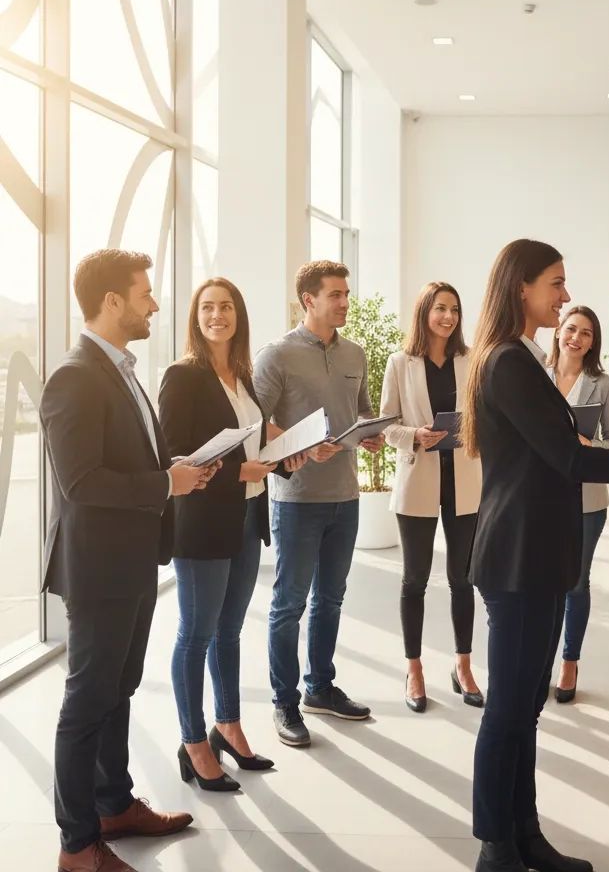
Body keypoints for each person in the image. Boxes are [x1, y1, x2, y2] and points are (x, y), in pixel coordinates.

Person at [462, 239, 609, 872]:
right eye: (555, 283)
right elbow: (570, 456)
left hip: (538, 552)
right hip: (517, 556)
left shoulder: (526, 358)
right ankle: (496, 846)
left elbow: (568, 450)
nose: (565, 295)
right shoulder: (509, 362)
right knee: (509, 707)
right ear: (521, 287)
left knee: (527, 705)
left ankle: (524, 833)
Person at [40, 250, 215, 872]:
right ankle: (77, 844)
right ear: (112, 301)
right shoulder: (75, 375)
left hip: (133, 561)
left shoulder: (121, 370)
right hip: (100, 567)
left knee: (119, 689)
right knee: (89, 700)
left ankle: (114, 805)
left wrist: (182, 471)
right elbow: (82, 482)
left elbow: (138, 458)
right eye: (145, 295)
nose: (155, 304)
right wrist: (167, 483)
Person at [159, 278, 307, 790]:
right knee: (195, 634)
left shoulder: (241, 377)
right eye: (207, 307)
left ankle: (229, 726)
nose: (217, 315)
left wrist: (291, 456)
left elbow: (255, 446)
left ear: (238, 315)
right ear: (195, 316)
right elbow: (173, 455)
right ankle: (193, 741)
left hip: (246, 519)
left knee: (228, 632)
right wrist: (235, 473)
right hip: (201, 525)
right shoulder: (183, 376)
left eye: (225, 307)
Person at [253, 260, 384, 748]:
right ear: (308, 299)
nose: (345, 302)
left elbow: (364, 412)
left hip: (344, 498)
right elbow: (257, 422)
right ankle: (284, 702)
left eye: (346, 293)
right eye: (335, 295)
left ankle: (320, 688)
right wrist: (300, 446)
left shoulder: (355, 353)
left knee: (330, 599)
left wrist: (371, 434)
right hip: (297, 500)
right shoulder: (276, 355)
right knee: (288, 604)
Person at [380, 281, 484, 712]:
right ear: (424, 312)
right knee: (415, 580)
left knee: (463, 579)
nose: (448, 316)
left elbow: (485, 416)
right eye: (440, 308)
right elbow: (387, 426)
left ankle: (463, 666)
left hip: (464, 481)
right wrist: (415, 436)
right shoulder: (400, 362)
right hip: (419, 478)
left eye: (455, 309)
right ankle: (415, 668)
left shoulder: (470, 360)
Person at [545, 306, 609, 704]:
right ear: (558, 331)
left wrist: (589, 446)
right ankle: (541, 659)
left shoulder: (603, 384)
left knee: (576, 581)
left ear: (594, 342)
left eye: (587, 333)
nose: (576, 338)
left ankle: (570, 662)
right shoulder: (533, 376)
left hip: (586, 497)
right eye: (571, 329)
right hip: (538, 495)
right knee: (542, 581)